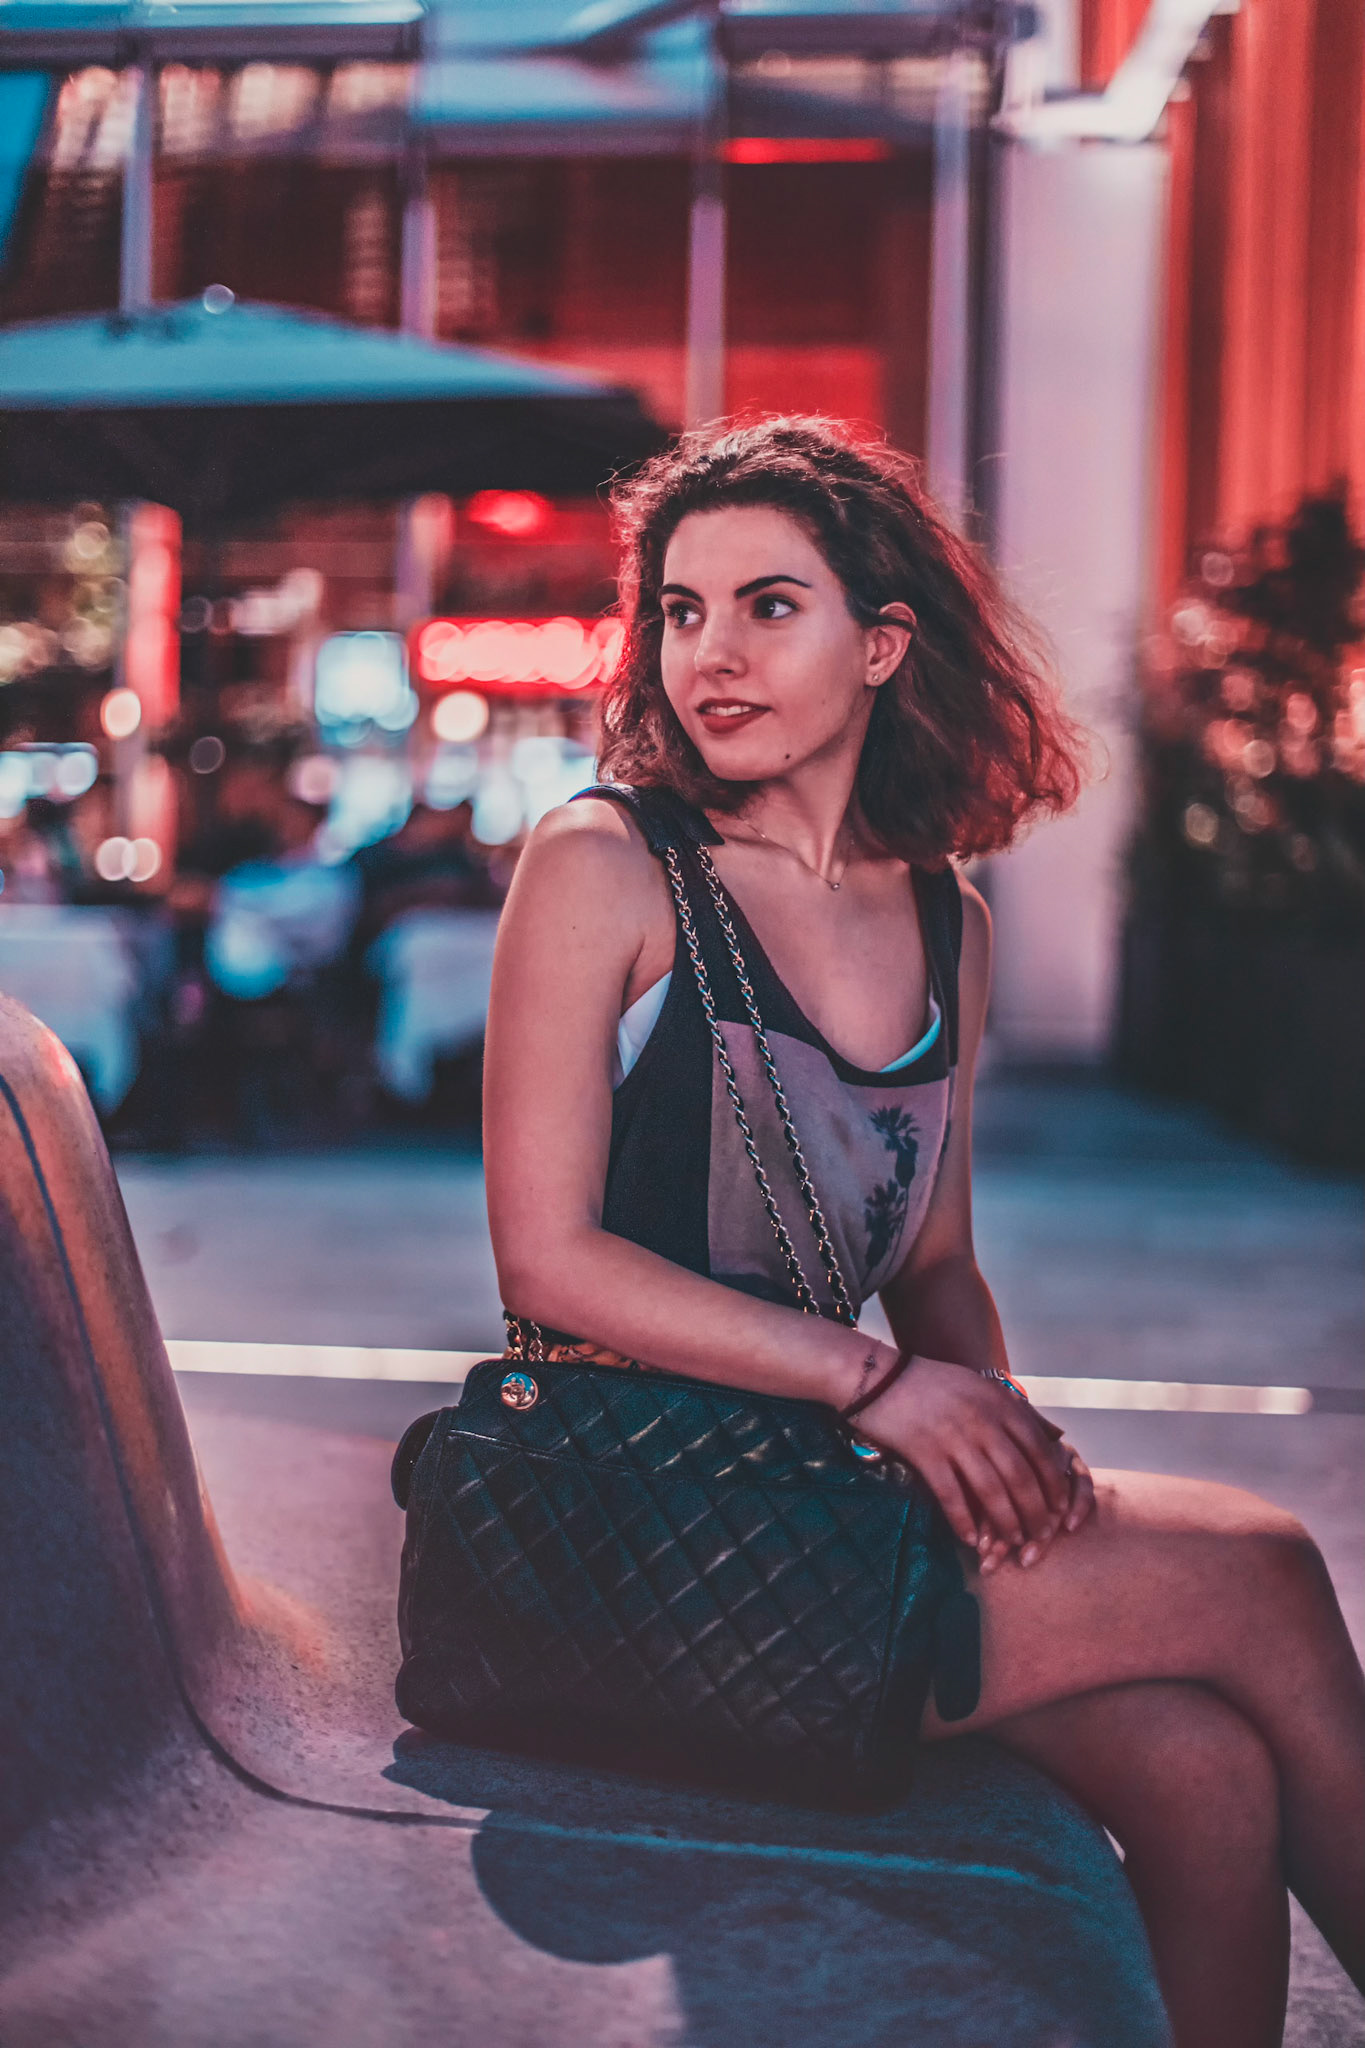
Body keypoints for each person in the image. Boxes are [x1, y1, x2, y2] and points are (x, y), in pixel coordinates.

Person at [482, 417, 1365, 2048]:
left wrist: (1004, 1470)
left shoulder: (944, 917)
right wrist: (879, 1389)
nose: (709, 653)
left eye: (768, 605)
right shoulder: (603, 863)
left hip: (822, 1512)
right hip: (625, 1528)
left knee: (1203, 1768)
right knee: (1260, 1566)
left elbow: (935, 1262)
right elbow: (548, 1261)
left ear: (882, 644)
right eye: (678, 610)